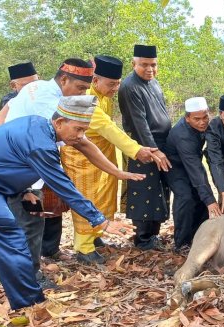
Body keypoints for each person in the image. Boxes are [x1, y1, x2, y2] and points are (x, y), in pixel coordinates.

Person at [0, 95, 137, 318]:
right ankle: (31, 305)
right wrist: (100, 220)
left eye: (84, 131)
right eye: (78, 129)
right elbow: (64, 186)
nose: (80, 137)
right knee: (11, 240)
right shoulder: (42, 144)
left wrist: (25, 191)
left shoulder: (37, 125)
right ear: (59, 122)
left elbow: (3, 160)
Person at [0, 58, 128, 288]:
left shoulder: (34, 87)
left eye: (85, 89)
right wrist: (115, 172)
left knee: (21, 221)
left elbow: (6, 112)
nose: (81, 93)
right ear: (64, 79)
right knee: (31, 222)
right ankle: (28, 277)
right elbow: (80, 142)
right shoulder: (51, 103)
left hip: (15, 163)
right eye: (79, 88)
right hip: (21, 167)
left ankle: (13, 269)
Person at [61, 55, 164, 264]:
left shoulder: (103, 95)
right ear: (95, 81)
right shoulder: (85, 99)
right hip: (82, 160)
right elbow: (109, 128)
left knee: (103, 198)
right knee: (87, 199)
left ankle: (96, 237)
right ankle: (84, 248)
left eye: (118, 83)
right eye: (112, 84)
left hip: (101, 158)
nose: (116, 88)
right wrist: (136, 150)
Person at [119, 44, 173, 251]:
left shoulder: (154, 83)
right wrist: (153, 150)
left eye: (153, 65)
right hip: (144, 145)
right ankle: (143, 239)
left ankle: (153, 235)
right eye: (144, 65)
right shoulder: (130, 86)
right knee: (144, 191)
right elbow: (139, 122)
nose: (149, 69)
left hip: (161, 143)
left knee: (159, 190)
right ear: (134, 64)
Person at [165, 97, 221, 252]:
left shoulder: (205, 125)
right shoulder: (183, 135)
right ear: (187, 118)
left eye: (205, 118)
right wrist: (211, 200)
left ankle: (198, 237)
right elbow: (196, 170)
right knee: (186, 198)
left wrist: (207, 199)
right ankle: (181, 243)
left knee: (201, 197)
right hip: (174, 167)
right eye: (197, 119)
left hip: (191, 162)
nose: (202, 122)